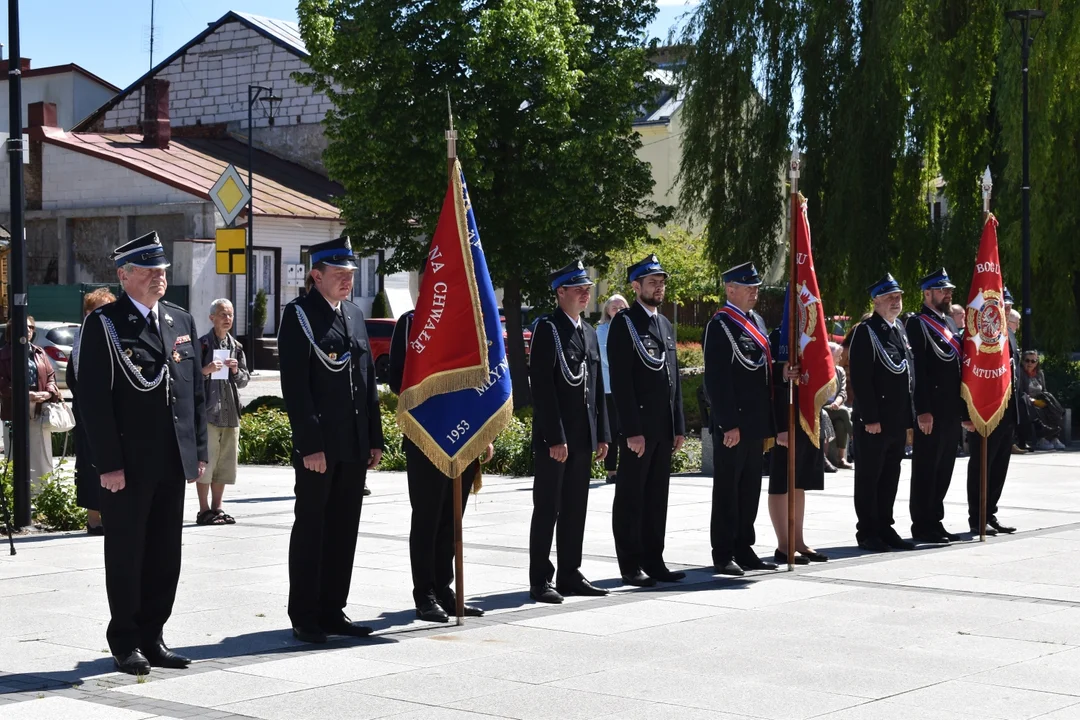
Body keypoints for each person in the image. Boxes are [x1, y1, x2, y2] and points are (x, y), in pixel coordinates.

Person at [75, 231, 207, 675]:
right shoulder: (106, 324)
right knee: (127, 553)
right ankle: (126, 640)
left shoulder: (180, 321)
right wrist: (108, 464)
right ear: (123, 275)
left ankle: (154, 635)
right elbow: (93, 402)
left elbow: (194, 395)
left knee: (166, 553)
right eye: (149, 270)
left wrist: (198, 453)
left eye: (163, 270)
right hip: (128, 466)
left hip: (172, 460)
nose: (158, 278)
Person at [278, 236, 384, 643]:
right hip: (320, 447)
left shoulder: (355, 315)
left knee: (344, 528)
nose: (347, 281)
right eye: (339, 274)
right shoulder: (300, 316)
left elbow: (368, 382)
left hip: (354, 444)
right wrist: (310, 445)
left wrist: (374, 438)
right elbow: (296, 387)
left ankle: (333, 608)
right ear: (316, 275)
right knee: (312, 527)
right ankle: (305, 614)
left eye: (350, 274)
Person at [389, 302, 489, 623]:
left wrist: (482, 432)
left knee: (451, 517)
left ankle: (445, 589)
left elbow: (484, 379)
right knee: (428, 517)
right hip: (426, 436)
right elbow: (396, 379)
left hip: (463, 436)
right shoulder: (412, 323)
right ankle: (425, 593)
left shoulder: (470, 320)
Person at [528, 261, 611, 604]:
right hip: (556, 439)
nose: (586, 293)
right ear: (560, 292)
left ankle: (570, 573)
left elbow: (597, 384)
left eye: (587, 288)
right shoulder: (548, 329)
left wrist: (602, 433)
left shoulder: (588, 331)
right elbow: (543, 389)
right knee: (548, 508)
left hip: (582, 435)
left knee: (576, 508)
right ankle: (540, 579)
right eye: (578, 288)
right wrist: (554, 437)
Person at [608, 254, 686, 587]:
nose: (659, 287)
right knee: (631, 497)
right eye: (652, 282)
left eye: (662, 282)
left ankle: (655, 559)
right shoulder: (624, 323)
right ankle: (630, 564)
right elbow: (622, 383)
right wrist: (632, 431)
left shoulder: (664, 324)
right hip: (639, 429)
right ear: (636, 286)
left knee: (656, 498)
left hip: (663, 428)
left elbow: (674, 379)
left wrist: (679, 425)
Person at [703, 262, 777, 576]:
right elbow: (716, 380)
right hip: (734, 424)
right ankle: (723, 552)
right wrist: (727, 422)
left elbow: (760, 370)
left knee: (749, 488)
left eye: (756, 287)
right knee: (727, 489)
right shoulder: (720, 325)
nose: (754, 292)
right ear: (730, 288)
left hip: (755, 421)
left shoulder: (756, 321)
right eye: (748, 287)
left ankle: (744, 546)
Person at [849, 274, 915, 553]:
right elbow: (861, 380)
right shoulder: (866, 331)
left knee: (890, 475)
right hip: (874, 421)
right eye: (889, 297)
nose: (895, 301)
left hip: (896, 419)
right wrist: (870, 417)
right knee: (870, 476)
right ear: (875, 301)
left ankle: (885, 526)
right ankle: (867, 531)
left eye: (898, 296)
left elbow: (906, 374)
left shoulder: (899, 327)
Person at [906, 268, 964, 544]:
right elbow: (920, 370)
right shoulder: (917, 324)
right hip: (932, 410)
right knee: (927, 468)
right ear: (927, 293)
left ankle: (935, 520)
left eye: (949, 290)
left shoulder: (950, 324)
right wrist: (923, 410)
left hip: (951, 409)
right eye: (942, 290)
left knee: (944, 468)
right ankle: (922, 523)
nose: (948, 294)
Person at [767, 328, 829, 566]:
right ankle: (784, 545)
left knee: (799, 480)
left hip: (807, 416)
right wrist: (781, 425)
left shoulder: (811, 332)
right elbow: (772, 382)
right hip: (785, 419)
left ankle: (798, 541)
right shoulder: (779, 336)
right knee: (782, 480)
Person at [965, 285, 1020, 536]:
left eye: (1008, 306)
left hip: (1007, 412)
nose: (1005, 310)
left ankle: (991, 513)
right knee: (982, 466)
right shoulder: (981, 336)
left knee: (999, 466)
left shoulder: (1009, 335)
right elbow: (970, 375)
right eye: (1002, 305)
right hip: (985, 410)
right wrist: (969, 414)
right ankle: (977, 517)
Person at [67, 288, 117, 535]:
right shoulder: (82, 338)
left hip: (115, 414)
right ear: (87, 314)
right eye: (97, 310)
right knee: (91, 466)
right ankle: (94, 519)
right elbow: (79, 379)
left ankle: (112, 516)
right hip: (89, 416)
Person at [196, 299, 250, 525]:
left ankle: (218, 507)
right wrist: (206, 371)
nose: (227, 319)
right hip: (209, 413)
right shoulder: (202, 345)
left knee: (225, 464)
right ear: (212, 318)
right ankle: (203, 510)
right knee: (206, 464)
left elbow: (245, 380)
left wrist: (236, 370)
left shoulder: (236, 347)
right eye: (222, 314)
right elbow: (188, 380)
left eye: (230, 315)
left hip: (230, 413)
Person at [0, 315, 62, 492]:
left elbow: (50, 376)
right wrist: (25, 394)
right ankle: (18, 496)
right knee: (16, 456)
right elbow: (2, 384)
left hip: (40, 408)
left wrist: (48, 392)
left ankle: (42, 493)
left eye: (31, 327)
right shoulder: (3, 354)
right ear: (12, 330)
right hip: (15, 410)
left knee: (41, 454)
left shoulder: (39, 352)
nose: (27, 330)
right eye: (23, 326)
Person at [595, 293, 628, 483]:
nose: (618, 310)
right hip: (610, 387)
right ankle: (611, 471)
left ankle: (625, 467)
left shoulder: (631, 327)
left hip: (627, 388)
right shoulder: (602, 330)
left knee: (626, 429)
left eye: (622, 307)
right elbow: (606, 355)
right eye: (614, 307)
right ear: (607, 310)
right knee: (613, 430)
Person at [1020, 351, 1066, 451]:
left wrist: (1044, 401)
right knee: (1039, 410)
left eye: (1033, 361)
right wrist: (1032, 400)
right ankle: (1042, 439)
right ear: (1022, 361)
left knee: (1052, 409)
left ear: (1037, 363)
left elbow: (1044, 390)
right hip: (1027, 400)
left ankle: (1054, 438)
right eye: (1027, 360)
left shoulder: (1040, 373)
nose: (1030, 363)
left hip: (1040, 398)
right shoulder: (1020, 373)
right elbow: (1020, 391)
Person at [824, 342, 853, 470]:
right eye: (838, 356)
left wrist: (837, 402)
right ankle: (855, 437)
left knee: (841, 423)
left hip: (836, 406)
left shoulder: (839, 371)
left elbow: (842, 392)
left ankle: (841, 458)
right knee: (845, 412)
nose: (841, 359)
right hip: (823, 407)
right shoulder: (821, 369)